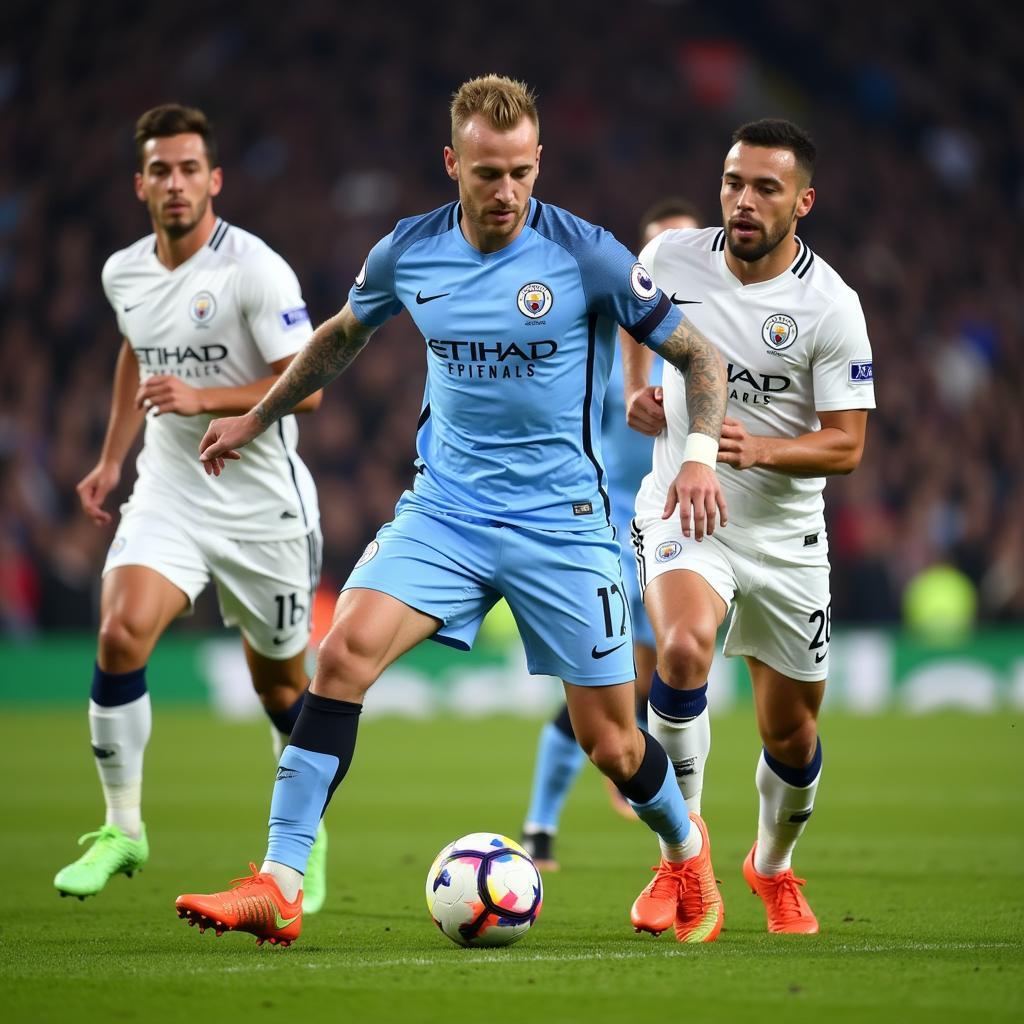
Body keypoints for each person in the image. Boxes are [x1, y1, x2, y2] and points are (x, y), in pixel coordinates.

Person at [174, 74, 730, 947]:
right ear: (452, 164)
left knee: (614, 746)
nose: (504, 192)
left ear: (538, 163)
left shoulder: (586, 255)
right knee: (342, 654)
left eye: (518, 172)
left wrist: (698, 458)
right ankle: (279, 882)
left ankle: (684, 849)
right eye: (485, 173)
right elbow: (340, 337)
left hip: (562, 525)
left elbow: (701, 358)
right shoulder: (409, 252)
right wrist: (258, 412)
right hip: (448, 512)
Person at [53, 104, 330, 913]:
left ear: (214, 180)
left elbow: (305, 384)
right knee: (118, 631)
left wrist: (205, 397)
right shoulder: (123, 272)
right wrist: (111, 458)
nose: (174, 184)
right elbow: (136, 349)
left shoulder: (255, 270)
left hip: (263, 512)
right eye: (159, 170)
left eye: (188, 169)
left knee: (281, 691)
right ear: (140, 184)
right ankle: (123, 827)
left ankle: (299, 841)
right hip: (170, 493)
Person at [626, 118, 876, 934]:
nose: (743, 200)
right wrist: (641, 389)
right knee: (682, 647)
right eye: (734, 182)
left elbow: (847, 445)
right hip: (682, 508)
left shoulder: (830, 306)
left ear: (804, 201)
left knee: (793, 735)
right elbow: (626, 319)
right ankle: (681, 860)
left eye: (766, 187)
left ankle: (772, 867)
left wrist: (759, 447)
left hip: (785, 537)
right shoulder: (670, 260)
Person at [520, 198, 702, 871]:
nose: (667, 263)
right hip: (602, 521)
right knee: (601, 678)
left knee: (647, 682)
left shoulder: (709, 340)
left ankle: (645, 794)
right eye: (656, 250)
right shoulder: (610, 324)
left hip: (676, 530)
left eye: (684, 248)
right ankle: (541, 828)